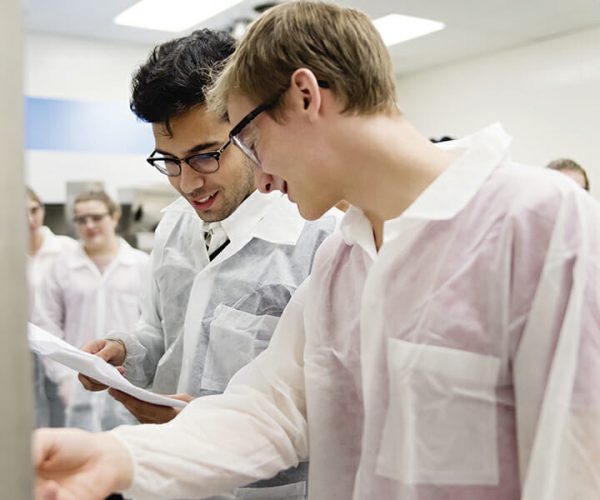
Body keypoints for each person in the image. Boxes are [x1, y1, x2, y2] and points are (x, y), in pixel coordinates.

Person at [34, 2, 600, 499]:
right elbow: (271, 409)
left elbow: (577, 467)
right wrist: (118, 457)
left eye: (247, 141)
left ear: (305, 96)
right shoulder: (342, 265)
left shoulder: (542, 225)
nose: (257, 178)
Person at [78, 28, 336, 499]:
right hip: (168, 479)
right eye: (169, 161)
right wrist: (125, 352)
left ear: (248, 129)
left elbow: (330, 413)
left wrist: (203, 426)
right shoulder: (175, 226)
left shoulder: (320, 238)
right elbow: (161, 333)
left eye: (204, 156)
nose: (187, 183)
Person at [33, 190, 150, 432]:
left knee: (128, 450)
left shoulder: (141, 264)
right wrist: (63, 375)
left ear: (114, 217)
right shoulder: (61, 267)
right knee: (80, 454)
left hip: (129, 378)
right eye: (81, 220)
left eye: (96, 217)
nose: (89, 225)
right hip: (78, 379)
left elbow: (153, 323)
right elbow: (47, 321)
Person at [27, 187, 78, 428]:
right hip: (24, 348)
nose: (29, 219)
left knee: (65, 411)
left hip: (63, 343)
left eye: (34, 210)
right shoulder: (7, 252)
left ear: (42, 209)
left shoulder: (67, 249)